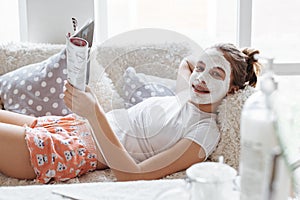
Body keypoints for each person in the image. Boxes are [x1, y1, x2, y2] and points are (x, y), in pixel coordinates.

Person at [0, 43, 261, 183]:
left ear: (232, 89)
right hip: (67, 126)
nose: (201, 78)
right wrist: (212, 61)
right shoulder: (187, 95)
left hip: (73, 149)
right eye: (201, 68)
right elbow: (187, 62)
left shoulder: (204, 132)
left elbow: (132, 175)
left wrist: (95, 113)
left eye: (216, 74)